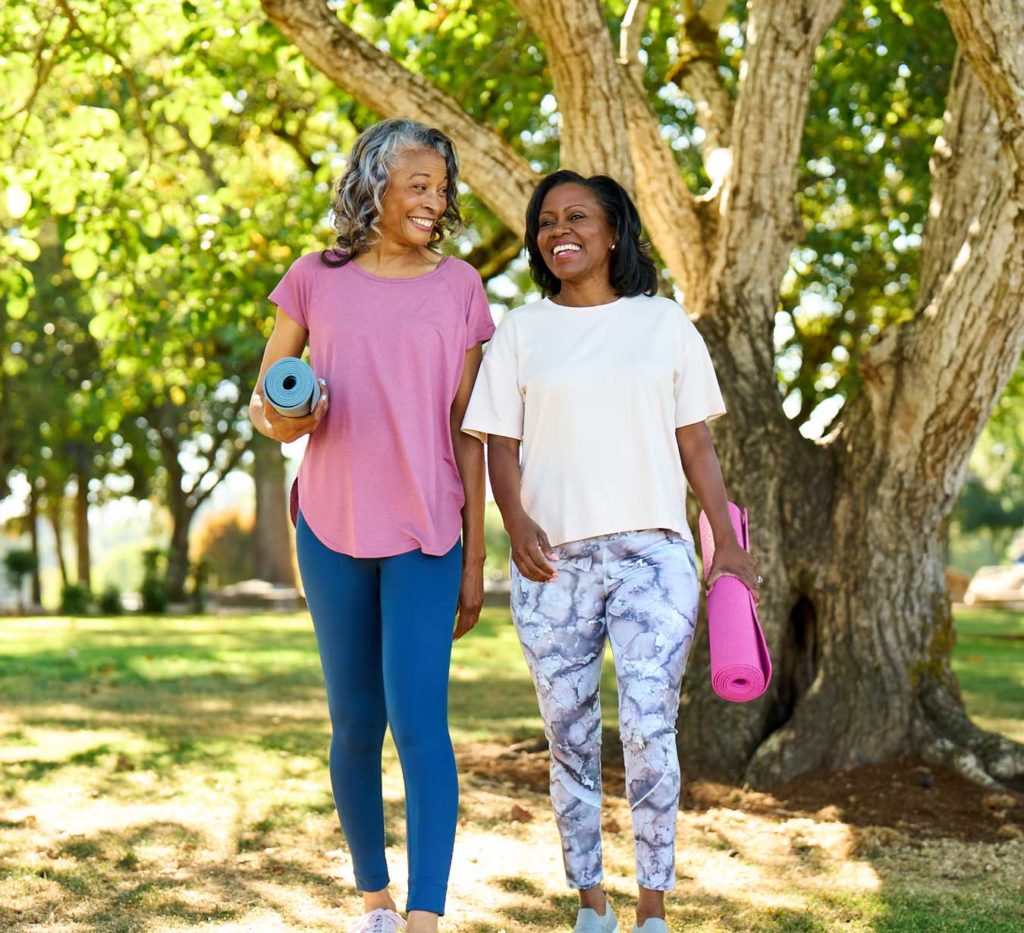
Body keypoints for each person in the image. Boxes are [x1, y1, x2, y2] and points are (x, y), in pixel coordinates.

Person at [462, 171, 759, 933]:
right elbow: (500, 443)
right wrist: (515, 519)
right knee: (568, 737)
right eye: (547, 220)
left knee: (652, 727)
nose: (561, 230)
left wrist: (724, 538)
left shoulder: (662, 325)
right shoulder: (520, 331)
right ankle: (591, 906)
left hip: (653, 555)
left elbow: (696, 440)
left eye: (579, 217)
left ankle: (653, 909)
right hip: (549, 561)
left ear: (614, 232)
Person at [248, 119, 494, 933]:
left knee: (421, 720)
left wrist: (474, 554)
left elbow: (469, 425)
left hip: (428, 528)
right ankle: (375, 902)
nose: (435, 200)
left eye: (441, 187)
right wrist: (292, 412)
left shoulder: (459, 284)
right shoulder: (314, 277)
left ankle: (425, 916)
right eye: (418, 184)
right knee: (356, 721)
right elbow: (267, 404)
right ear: (374, 186)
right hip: (330, 524)